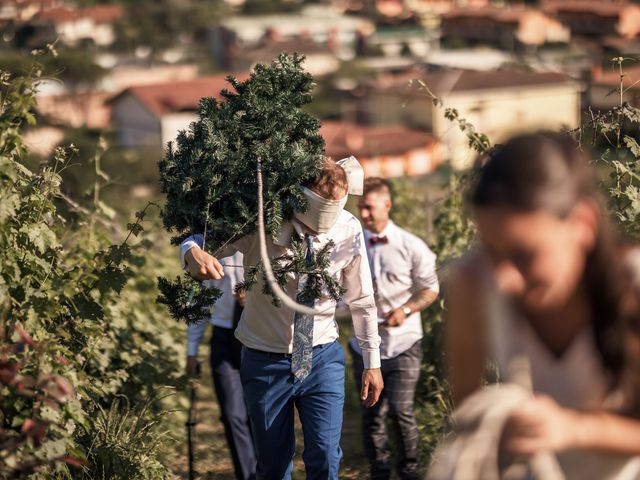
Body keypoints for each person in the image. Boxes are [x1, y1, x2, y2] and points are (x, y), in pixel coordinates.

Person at [446, 131, 640, 479]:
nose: (504, 279)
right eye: (489, 251)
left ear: (584, 224)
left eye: (525, 254)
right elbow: (469, 411)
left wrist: (573, 429)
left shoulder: (635, 287)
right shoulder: (473, 286)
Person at [180, 157, 384, 479]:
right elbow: (199, 241)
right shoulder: (259, 222)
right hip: (265, 362)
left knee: (326, 457)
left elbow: (361, 298)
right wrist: (191, 253)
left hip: (322, 356)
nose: (321, 228)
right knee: (273, 466)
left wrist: (372, 361)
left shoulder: (348, 228)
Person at [349, 177, 439, 480]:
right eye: (361, 208)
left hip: (404, 342)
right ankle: (380, 472)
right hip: (363, 343)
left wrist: (407, 309)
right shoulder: (350, 245)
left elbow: (430, 289)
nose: (364, 214)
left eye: (369, 208)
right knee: (372, 414)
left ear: (387, 205)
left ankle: (410, 471)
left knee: (401, 412)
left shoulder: (411, 245)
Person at [185, 251, 257, 480]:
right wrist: (191, 351)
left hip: (259, 337)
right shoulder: (213, 243)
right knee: (232, 414)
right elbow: (198, 303)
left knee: (258, 413)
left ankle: (267, 470)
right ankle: (247, 476)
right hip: (224, 336)